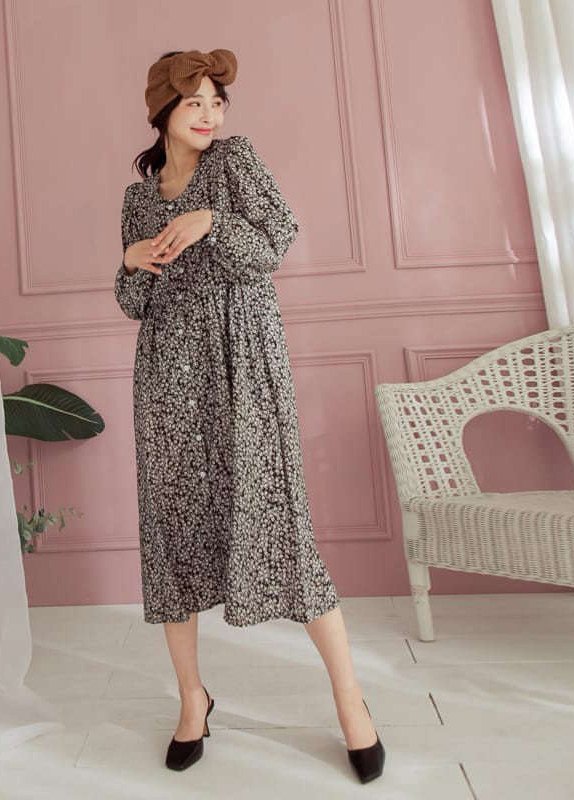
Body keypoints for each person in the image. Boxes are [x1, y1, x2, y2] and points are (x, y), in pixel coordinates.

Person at [113, 48, 385, 784]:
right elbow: (136, 304)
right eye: (194, 102)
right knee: (174, 532)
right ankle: (192, 700)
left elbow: (277, 241)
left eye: (217, 101)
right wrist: (129, 265)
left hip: (245, 364)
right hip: (168, 378)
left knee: (280, 525)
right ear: (163, 111)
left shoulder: (235, 162)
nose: (210, 114)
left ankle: (351, 703)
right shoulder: (137, 198)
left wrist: (210, 221)